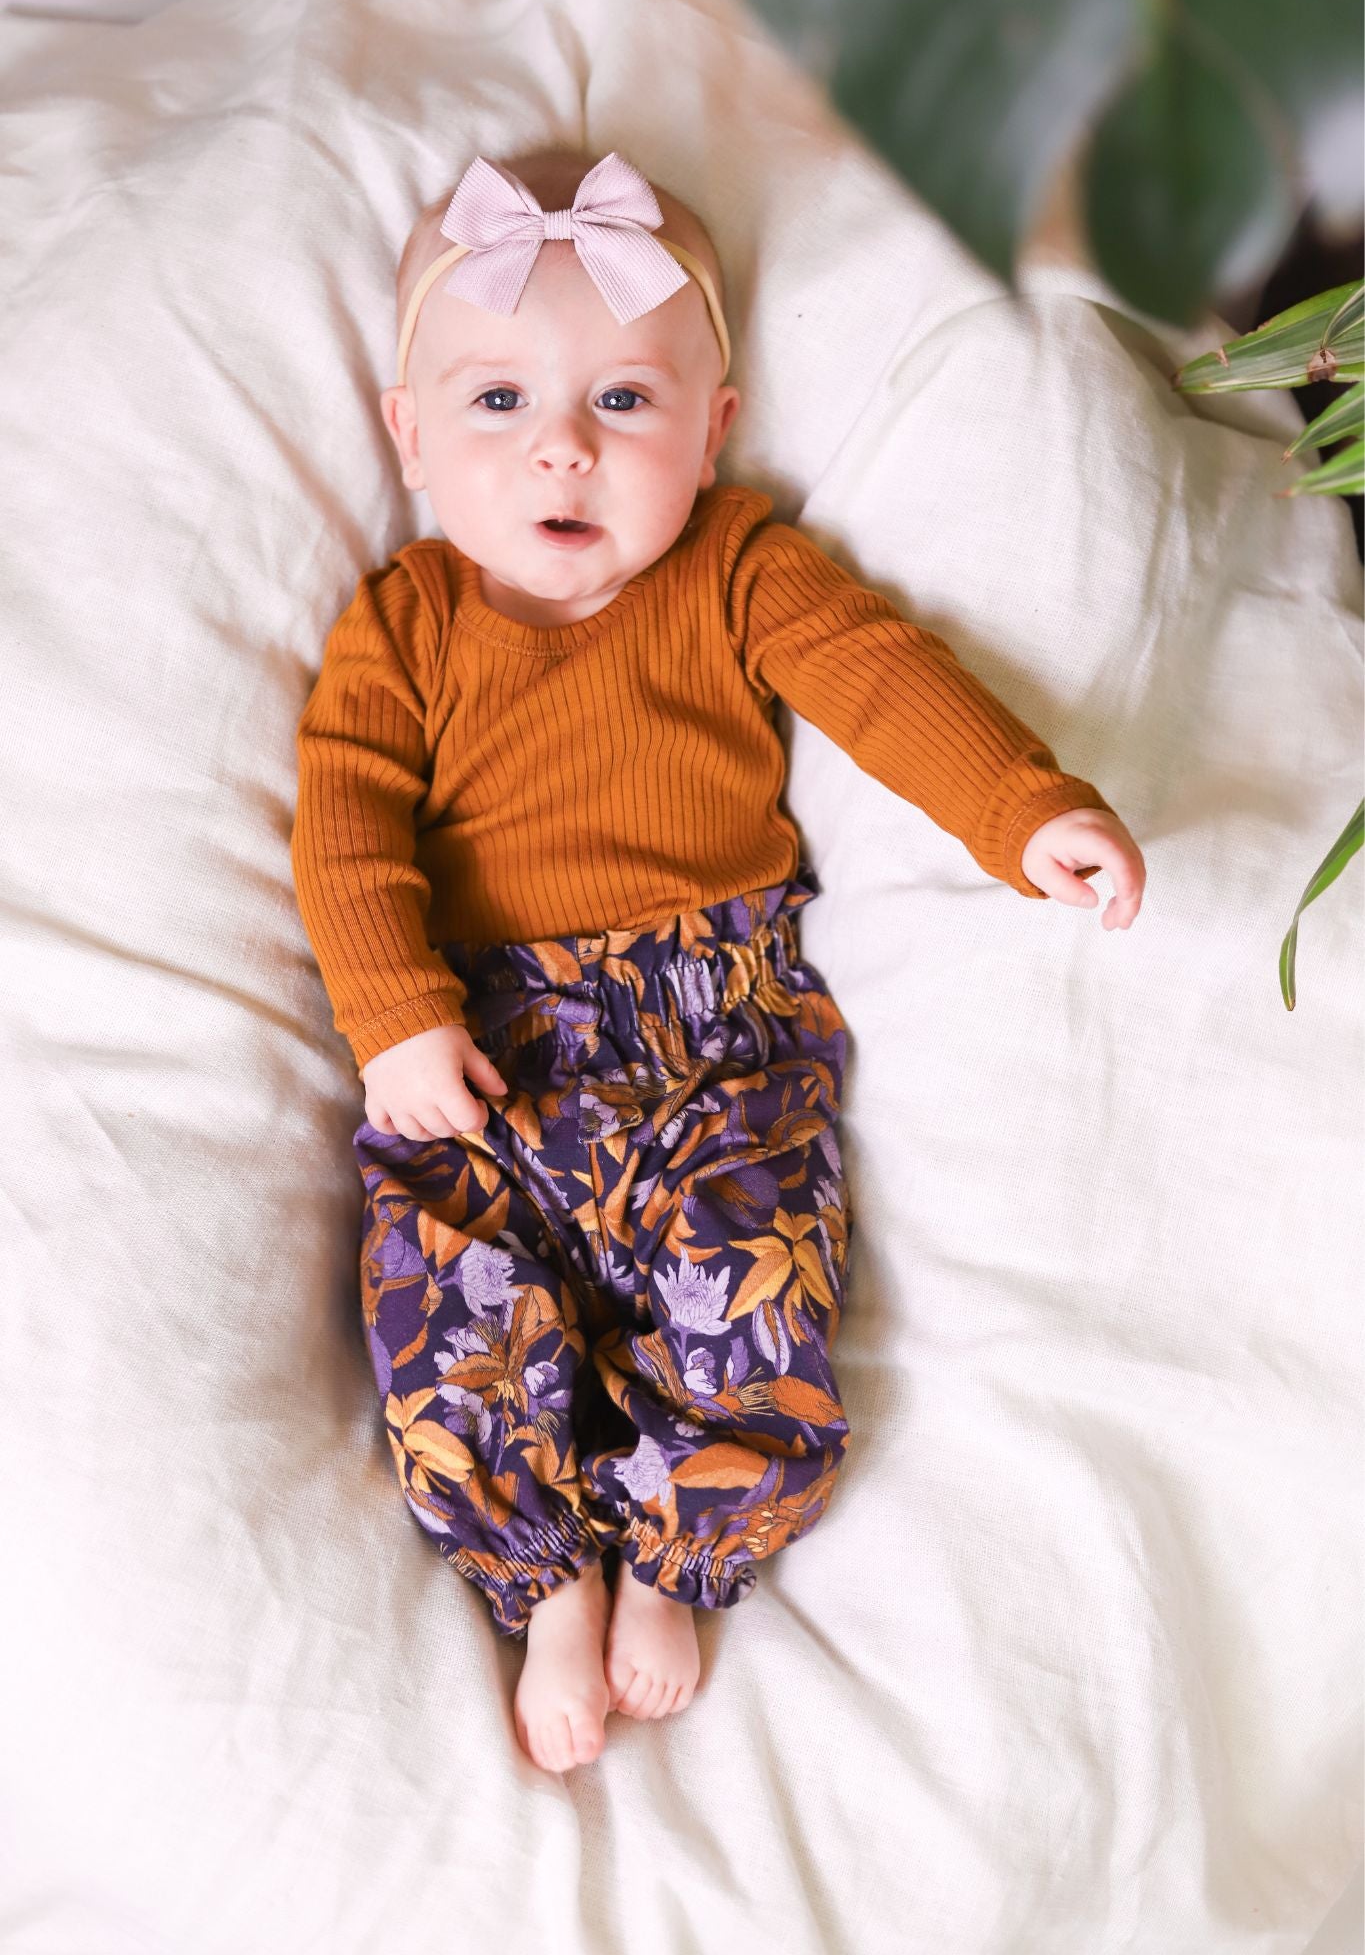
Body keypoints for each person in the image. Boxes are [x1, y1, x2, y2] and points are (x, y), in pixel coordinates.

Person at [290, 145, 1147, 1778]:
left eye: (623, 401)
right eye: (496, 403)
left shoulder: (737, 570)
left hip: (715, 1036)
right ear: (408, 436)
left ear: (713, 428)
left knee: (754, 1288)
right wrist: (393, 1016)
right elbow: (343, 831)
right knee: (443, 1301)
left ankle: (678, 1559)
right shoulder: (401, 626)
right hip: (480, 1053)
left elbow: (883, 682)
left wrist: (1021, 809)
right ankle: (545, 1579)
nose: (561, 446)